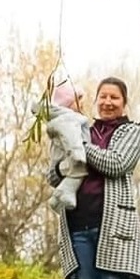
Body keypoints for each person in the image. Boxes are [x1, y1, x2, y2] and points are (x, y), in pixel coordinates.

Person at [50, 77, 140, 279]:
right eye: (103, 96)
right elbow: (53, 174)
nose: (108, 102)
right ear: (96, 100)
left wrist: (80, 147)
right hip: (77, 223)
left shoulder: (132, 132)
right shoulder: (83, 129)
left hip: (113, 226)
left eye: (114, 97)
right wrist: (66, 164)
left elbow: (115, 163)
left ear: (124, 103)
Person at [35, 80, 91, 213]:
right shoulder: (69, 119)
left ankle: (60, 196)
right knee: (80, 171)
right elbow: (70, 136)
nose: (82, 104)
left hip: (66, 160)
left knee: (77, 174)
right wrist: (77, 154)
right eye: (79, 99)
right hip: (72, 158)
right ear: (69, 103)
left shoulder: (64, 119)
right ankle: (63, 194)